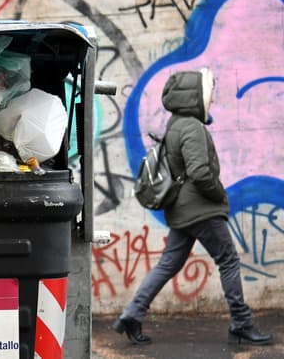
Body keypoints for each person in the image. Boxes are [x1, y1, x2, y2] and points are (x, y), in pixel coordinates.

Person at [113, 68, 273, 346]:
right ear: (194, 96)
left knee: (168, 264)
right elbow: (199, 172)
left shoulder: (176, 124)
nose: (211, 101)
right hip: (202, 210)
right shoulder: (192, 127)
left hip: (182, 209)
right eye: (208, 95)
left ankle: (132, 314)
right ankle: (242, 324)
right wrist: (218, 193)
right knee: (229, 261)